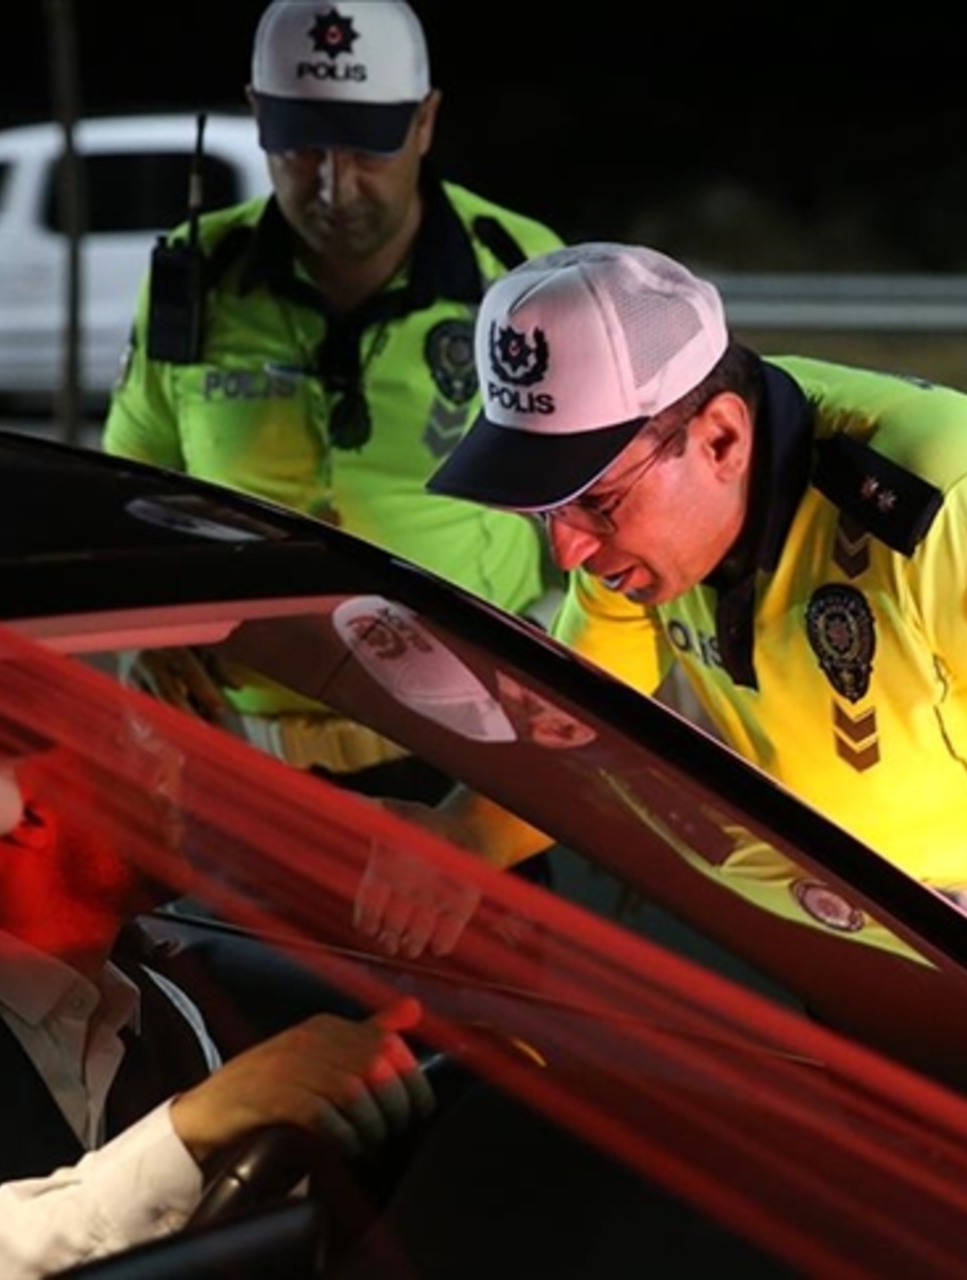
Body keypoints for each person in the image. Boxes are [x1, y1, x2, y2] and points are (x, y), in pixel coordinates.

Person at [372, 240, 967, 976]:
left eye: (596, 501)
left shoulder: (950, 505)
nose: (568, 551)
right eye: (547, 509)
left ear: (721, 439)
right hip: (881, 963)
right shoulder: (647, 502)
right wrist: (461, 839)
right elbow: (573, 728)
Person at [103, 0, 565, 805]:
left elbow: (599, 512)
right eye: (304, 146)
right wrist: (144, 630)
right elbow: (128, 488)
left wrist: (563, 667)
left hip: (472, 759)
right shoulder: (193, 275)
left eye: (366, 147)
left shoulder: (523, 274)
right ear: (257, 116)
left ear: (425, 122)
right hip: (237, 761)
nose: (334, 185)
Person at [0, 750, 433, 1280]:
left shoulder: (162, 1006)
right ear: (27, 813)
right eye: (123, 738)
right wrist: (189, 1128)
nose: (169, 761)